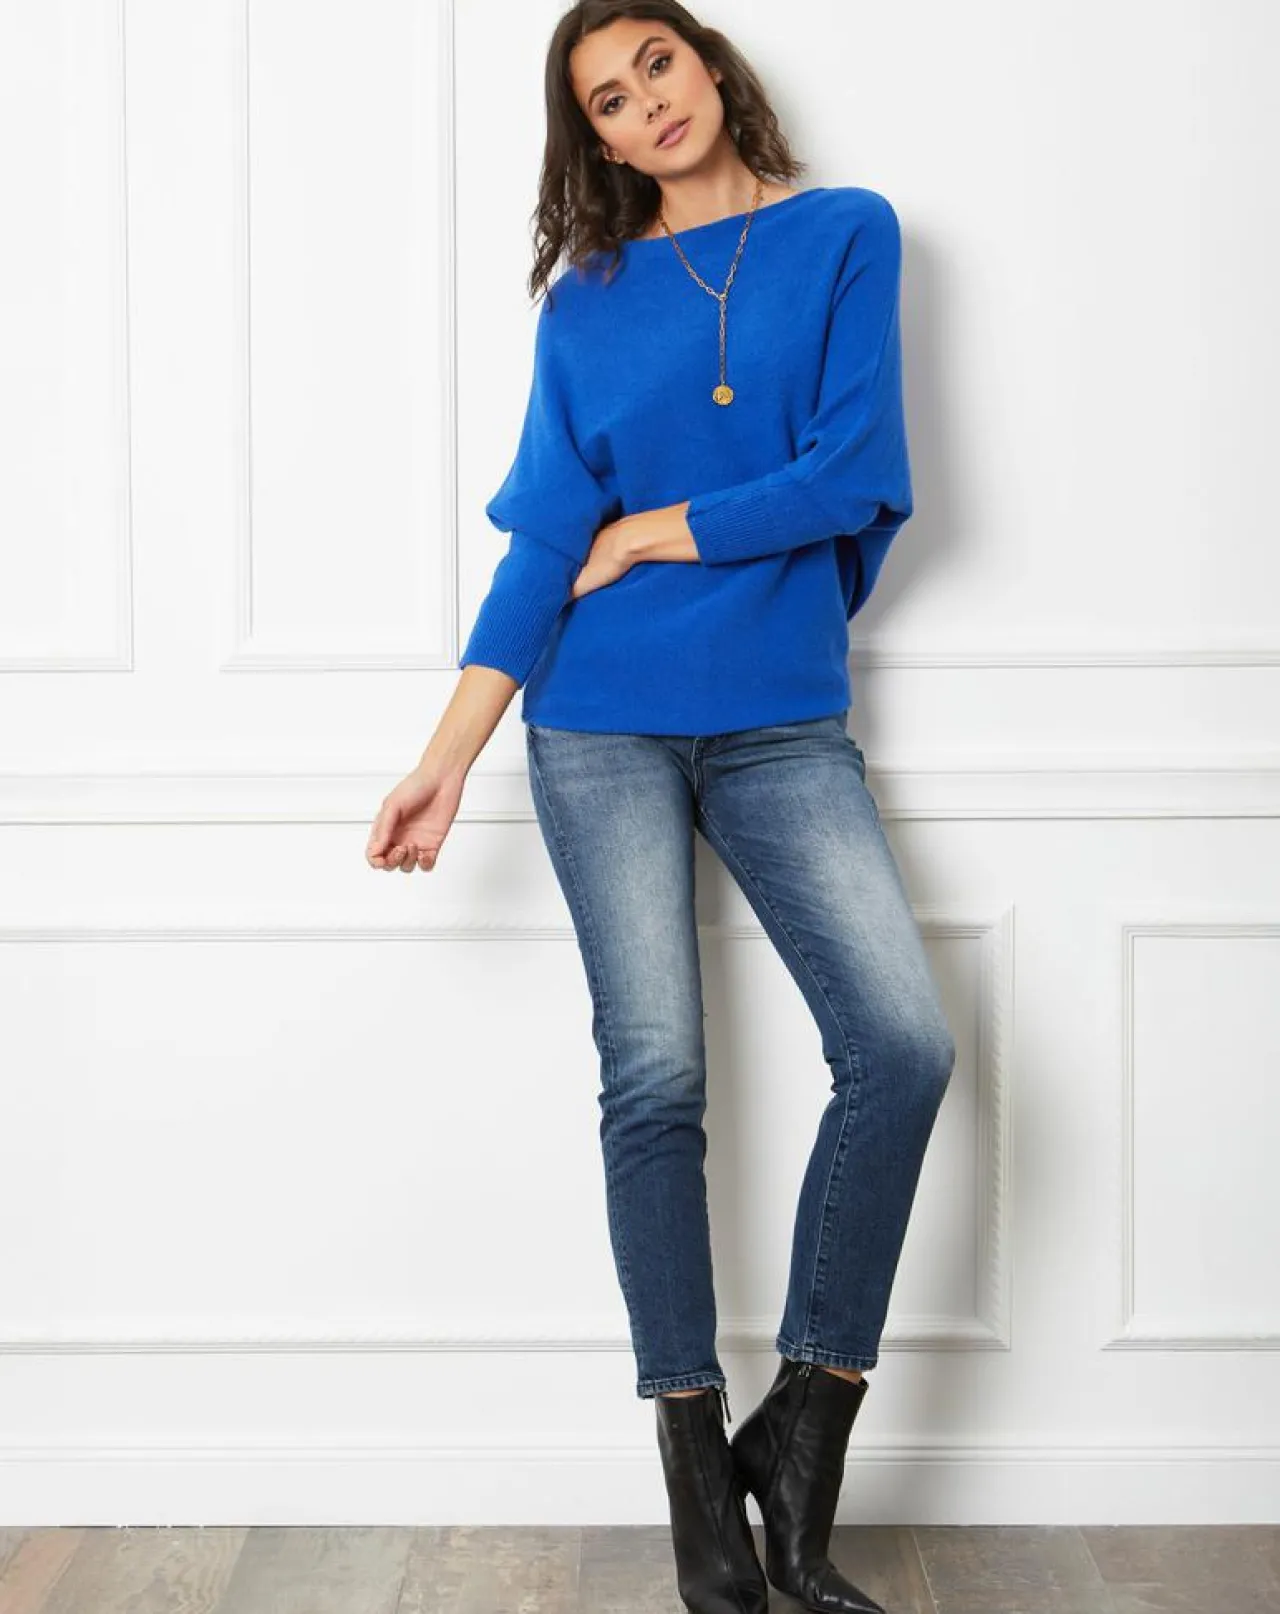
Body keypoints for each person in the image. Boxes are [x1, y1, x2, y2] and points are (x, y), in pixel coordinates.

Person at [366, 4, 956, 1610]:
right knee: (656, 1080)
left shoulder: (846, 233)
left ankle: (805, 1429)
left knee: (902, 1046)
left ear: (709, 67)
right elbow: (550, 542)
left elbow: (854, 471)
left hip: (779, 719)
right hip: (600, 722)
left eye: (657, 69)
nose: (646, 107)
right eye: (609, 104)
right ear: (599, 142)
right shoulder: (588, 299)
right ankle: (699, 1469)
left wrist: (663, 529)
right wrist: (449, 752)